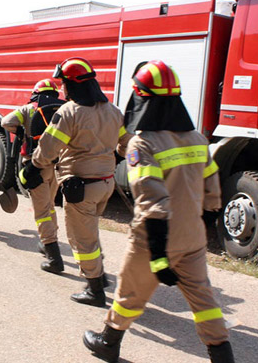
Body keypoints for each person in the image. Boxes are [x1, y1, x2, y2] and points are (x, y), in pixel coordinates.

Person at [83, 60, 234, 363]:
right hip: (193, 236)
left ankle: (108, 343)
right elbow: (213, 194)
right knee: (203, 298)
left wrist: (160, 257)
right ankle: (222, 355)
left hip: (156, 238)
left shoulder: (143, 144)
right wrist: (199, 227)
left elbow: (153, 202)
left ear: (142, 99)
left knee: (129, 293)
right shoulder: (198, 140)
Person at [25, 57, 132, 306]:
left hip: (80, 186)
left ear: (72, 85)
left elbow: (49, 148)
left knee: (82, 239)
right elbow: (126, 146)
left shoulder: (69, 112)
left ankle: (94, 289)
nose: (61, 89)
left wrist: (34, 166)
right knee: (90, 231)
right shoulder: (113, 111)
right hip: (106, 184)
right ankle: (99, 275)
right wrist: (112, 155)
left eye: (63, 84)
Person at [2, 79, 66, 273]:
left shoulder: (29, 108)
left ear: (35, 93)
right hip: (57, 165)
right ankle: (48, 240)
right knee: (49, 205)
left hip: (35, 165)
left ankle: (53, 256)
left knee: (41, 211)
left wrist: (20, 130)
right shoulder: (64, 109)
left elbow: (5, 122)